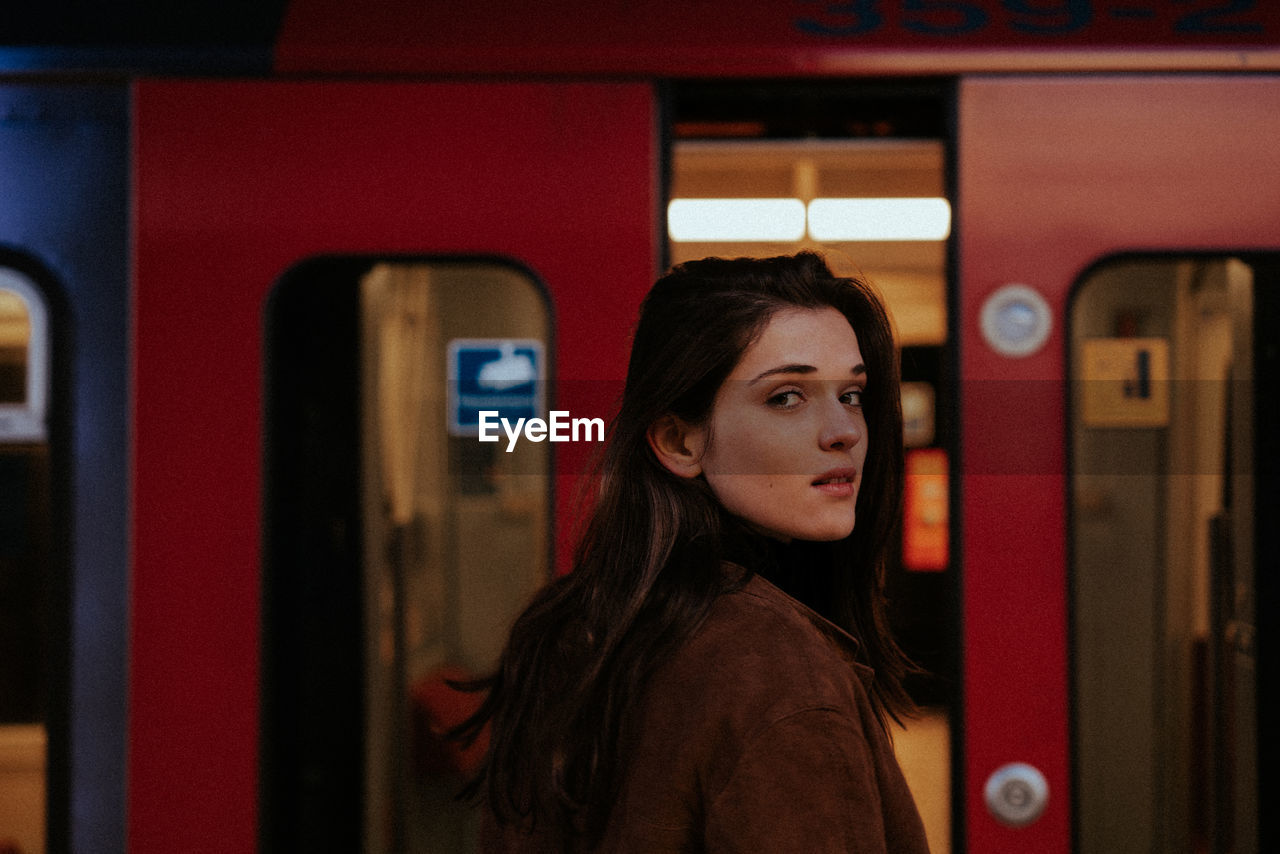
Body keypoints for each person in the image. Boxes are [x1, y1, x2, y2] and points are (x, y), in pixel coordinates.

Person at [453, 251, 931, 853]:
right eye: (787, 396)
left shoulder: (573, 626)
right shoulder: (782, 672)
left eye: (852, 394)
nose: (845, 431)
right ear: (680, 442)